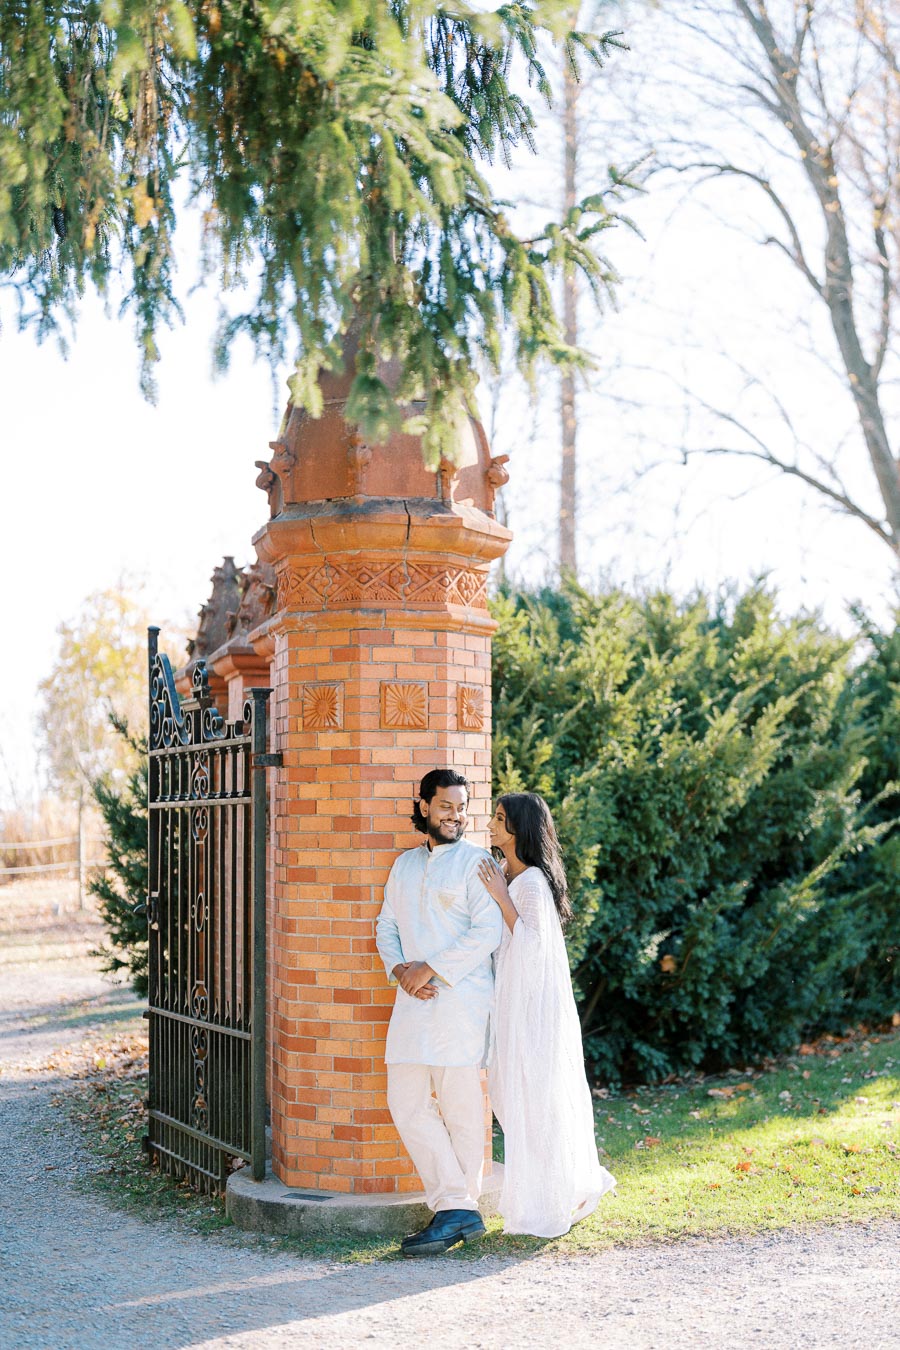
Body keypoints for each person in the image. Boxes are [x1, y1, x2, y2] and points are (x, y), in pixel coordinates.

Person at [375, 768, 503, 1257]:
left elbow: (486, 932)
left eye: (462, 807)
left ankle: (456, 1206)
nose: (455, 815)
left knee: (462, 1109)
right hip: (411, 998)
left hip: (459, 1002)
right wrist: (400, 970)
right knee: (405, 1101)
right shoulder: (404, 865)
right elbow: (385, 925)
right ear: (425, 805)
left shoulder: (477, 863)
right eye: (446, 806)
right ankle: (459, 1208)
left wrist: (430, 969)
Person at [477, 791, 616, 1238]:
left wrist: (502, 898)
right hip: (509, 1005)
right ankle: (541, 1190)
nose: (492, 824)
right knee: (517, 1102)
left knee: (534, 1102)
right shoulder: (507, 874)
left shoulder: (531, 883)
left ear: (518, 830)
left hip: (532, 1012)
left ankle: (547, 1200)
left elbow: (534, 949)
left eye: (500, 819)